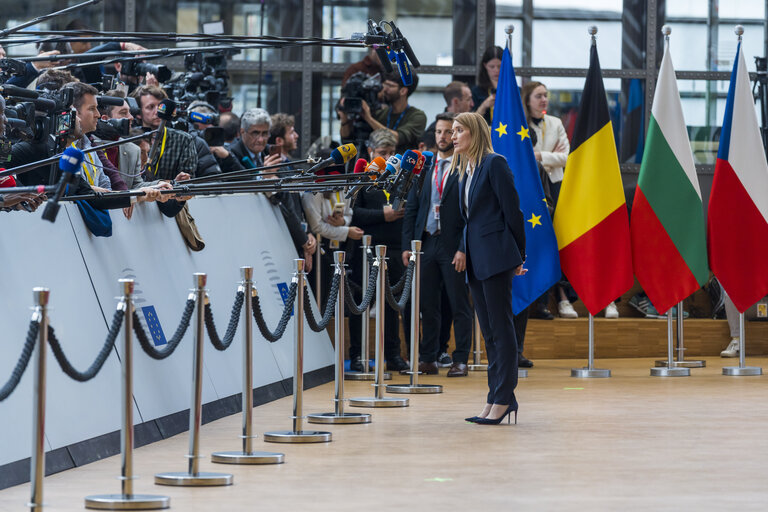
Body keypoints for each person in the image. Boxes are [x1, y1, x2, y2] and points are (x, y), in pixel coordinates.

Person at [453, 112, 525, 425]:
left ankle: (503, 398)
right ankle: (496, 396)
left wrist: (520, 255)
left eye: (459, 130)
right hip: (477, 258)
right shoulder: (466, 170)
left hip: (496, 256)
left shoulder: (494, 163)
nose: (453, 136)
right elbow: (471, 220)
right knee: (490, 333)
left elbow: (513, 211)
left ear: (474, 132)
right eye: (452, 130)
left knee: (501, 328)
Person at [402, 112, 473, 377]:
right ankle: (428, 358)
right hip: (426, 243)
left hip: (453, 244)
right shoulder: (424, 169)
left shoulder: (465, 167)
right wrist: (409, 245)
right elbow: (412, 209)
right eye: (439, 132)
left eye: (449, 132)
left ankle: (460, 359)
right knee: (427, 305)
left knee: (458, 304)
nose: (444, 137)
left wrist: (464, 248)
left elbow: (471, 213)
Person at [346, 129, 410, 373]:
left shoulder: (402, 177)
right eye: (383, 153)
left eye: (392, 152)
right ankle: (358, 356)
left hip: (394, 249)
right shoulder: (362, 178)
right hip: (367, 249)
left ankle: (393, 355)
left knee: (392, 306)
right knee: (361, 304)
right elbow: (352, 214)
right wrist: (383, 215)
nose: (389, 157)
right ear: (371, 152)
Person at [339, 71, 426, 155]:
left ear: (403, 91)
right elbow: (347, 139)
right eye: (384, 84)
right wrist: (344, 118)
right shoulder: (380, 113)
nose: (384, 89)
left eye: (390, 86)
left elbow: (396, 138)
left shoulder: (417, 116)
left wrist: (368, 118)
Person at [471, 46, 502, 125]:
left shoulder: (515, 90)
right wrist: (484, 106)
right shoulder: (476, 91)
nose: (496, 70)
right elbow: (471, 122)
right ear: (485, 65)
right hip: (484, 134)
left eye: (500, 66)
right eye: (492, 67)